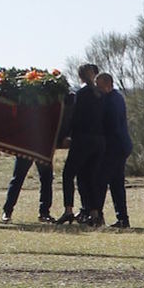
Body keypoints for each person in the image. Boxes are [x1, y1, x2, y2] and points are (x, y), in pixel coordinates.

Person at [57, 63, 105, 226]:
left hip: (82, 139)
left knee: (68, 174)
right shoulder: (100, 94)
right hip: (99, 140)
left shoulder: (82, 93)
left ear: (80, 76)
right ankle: (94, 213)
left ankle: (68, 210)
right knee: (89, 176)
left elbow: (75, 117)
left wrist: (66, 135)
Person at [96, 72, 133, 228]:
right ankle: (122, 218)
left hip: (114, 147)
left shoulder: (110, 101)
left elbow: (110, 125)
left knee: (101, 181)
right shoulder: (117, 97)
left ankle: (97, 215)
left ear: (106, 84)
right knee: (116, 183)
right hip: (121, 145)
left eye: (98, 85)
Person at [1, 156, 54, 223]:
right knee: (17, 179)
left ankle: (44, 213)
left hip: (43, 149)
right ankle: (7, 211)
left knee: (46, 180)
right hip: (26, 149)